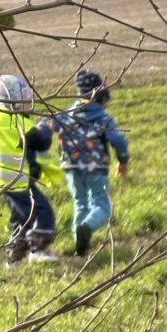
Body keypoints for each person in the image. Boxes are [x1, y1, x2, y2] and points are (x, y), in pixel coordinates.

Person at [39, 68, 129, 256]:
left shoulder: (65, 114)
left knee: (80, 203)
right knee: (102, 205)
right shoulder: (103, 118)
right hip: (96, 167)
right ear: (101, 97)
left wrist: (35, 140)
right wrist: (123, 161)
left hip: (71, 167)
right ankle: (87, 228)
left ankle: (79, 246)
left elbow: (44, 126)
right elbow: (118, 141)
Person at [0, 74, 59, 265]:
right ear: (14, 103)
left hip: (4, 181)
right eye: (26, 99)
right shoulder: (19, 123)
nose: (30, 102)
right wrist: (46, 128)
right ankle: (38, 250)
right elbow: (42, 142)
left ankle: (14, 259)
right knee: (43, 213)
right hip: (20, 181)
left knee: (20, 218)